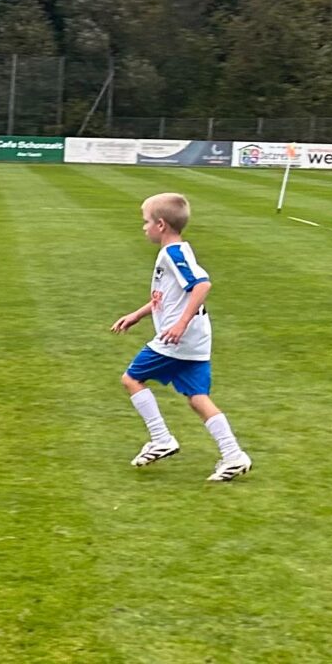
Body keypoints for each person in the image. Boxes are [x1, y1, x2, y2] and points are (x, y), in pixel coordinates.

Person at [111, 192, 252, 482]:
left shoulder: (173, 254)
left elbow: (202, 285)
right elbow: (166, 296)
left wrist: (180, 324)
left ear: (161, 225)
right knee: (197, 398)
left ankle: (161, 439)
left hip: (178, 339)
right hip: (195, 339)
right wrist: (138, 314)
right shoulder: (175, 252)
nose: (144, 227)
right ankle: (234, 455)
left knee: (131, 379)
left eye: (146, 221)